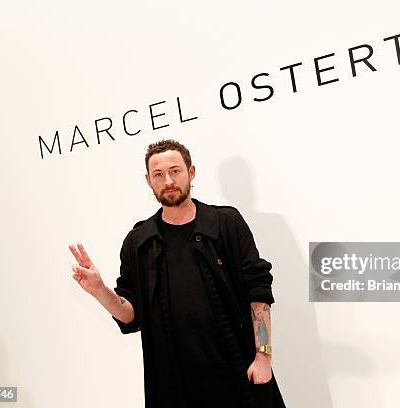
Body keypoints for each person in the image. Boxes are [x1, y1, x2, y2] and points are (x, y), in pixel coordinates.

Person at [68, 139, 286, 408]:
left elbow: (258, 290)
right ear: (149, 181)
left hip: (239, 374)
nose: (168, 180)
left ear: (191, 173)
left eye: (175, 171)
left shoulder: (226, 223)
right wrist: (100, 291)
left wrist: (263, 356)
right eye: (158, 174)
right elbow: (131, 315)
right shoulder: (139, 242)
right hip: (174, 386)